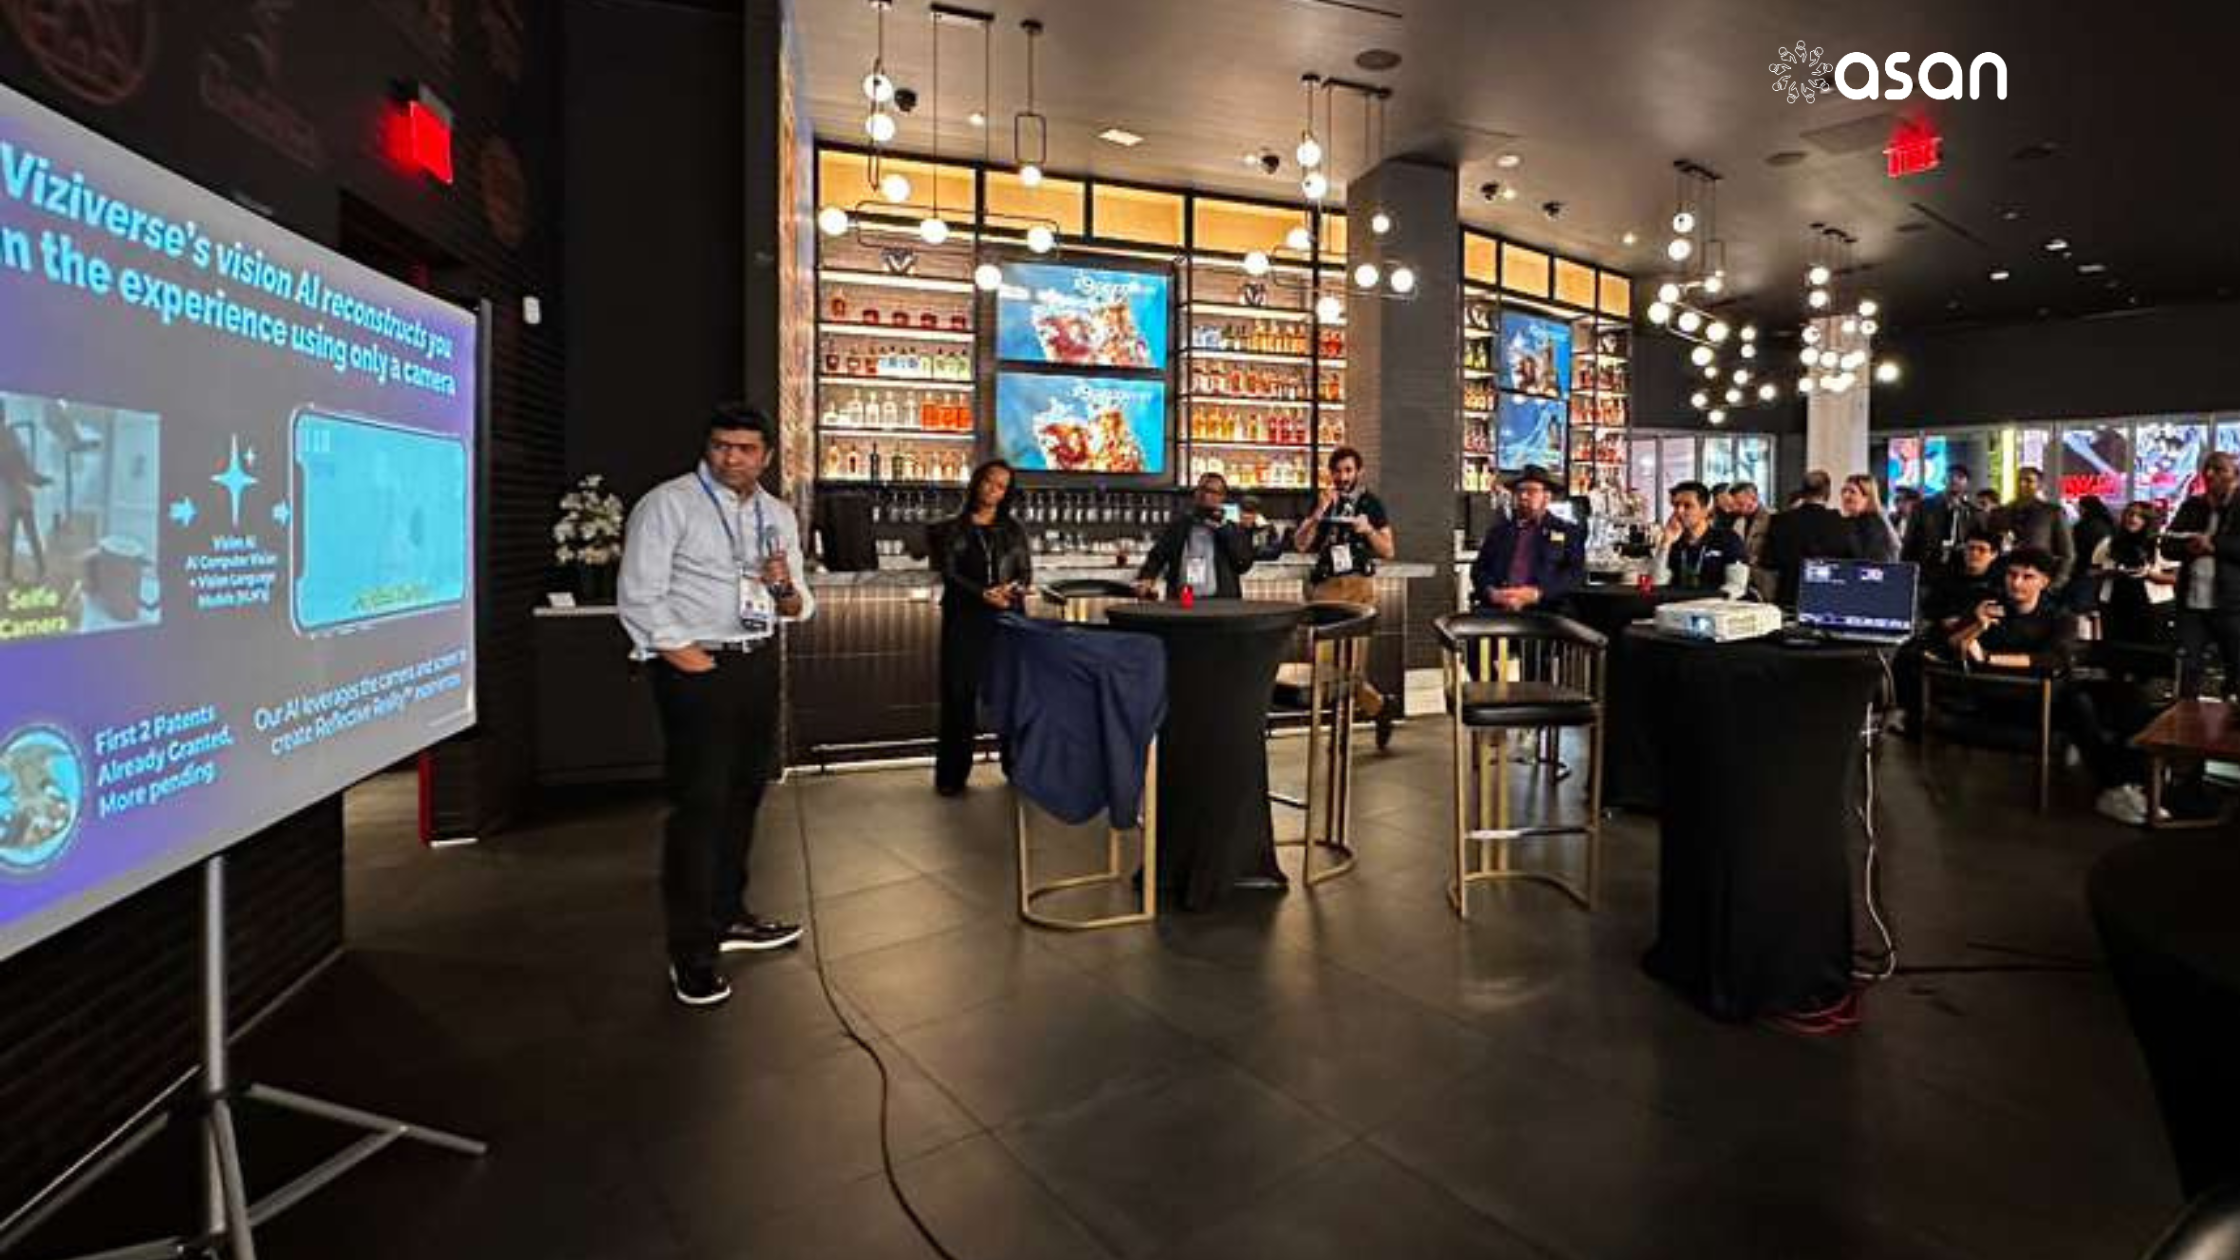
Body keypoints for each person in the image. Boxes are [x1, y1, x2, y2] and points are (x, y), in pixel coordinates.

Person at [618, 403, 811, 1008]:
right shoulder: (668, 503)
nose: (732, 457)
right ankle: (692, 953)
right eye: (721, 446)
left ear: (766, 456)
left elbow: (798, 606)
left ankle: (729, 915)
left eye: (745, 448)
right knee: (699, 808)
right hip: (696, 667)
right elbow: (639, 595)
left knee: (744, 796)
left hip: (756, 662)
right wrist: (690, 659)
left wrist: (782, 585)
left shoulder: (778, 515)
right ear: (708, 448)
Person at [1942, 547, 2153, 824]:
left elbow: (2053, 659)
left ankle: (2134, 784)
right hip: (2006, 695)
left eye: (2027, 577)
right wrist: (1978, 626)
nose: (2017, 582)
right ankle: (2113, 788)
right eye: (2012, 575)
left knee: (2131, 697)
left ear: (2044, 581)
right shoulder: (1988, 607)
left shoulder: (2057, 614)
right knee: (2078, 705)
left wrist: (1992, 657)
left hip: (2049, 689)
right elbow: (1952, 646)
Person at [935, 460, 1032, 797]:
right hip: (965, 618)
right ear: (977, 482)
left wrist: (1011, 591)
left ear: (1007, 493)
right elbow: (950, 573)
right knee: (959, 696)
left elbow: (1025, 573)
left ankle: (1016, 768)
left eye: (1001, 486)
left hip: (1008, 618)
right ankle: (951, 776)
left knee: (1011, 693)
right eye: (989, 481)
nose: (993, 490)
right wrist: (982, 594)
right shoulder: (953, 528)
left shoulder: (1014, 529)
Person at [1293, 446, 1398, 746]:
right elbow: (1301, 544)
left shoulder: (1371, 503)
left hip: (1357, 588)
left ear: (1358, 472)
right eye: (1337, 471)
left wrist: (1368, 530)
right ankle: (1380, 708)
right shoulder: (1322, 501)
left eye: (1348, 470)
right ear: (1331, 473)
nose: (1342, 477)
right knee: (1326, 668)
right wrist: (1318, 514)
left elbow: (1388, 550)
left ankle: (1341, 736)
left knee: (1352, 667)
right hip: (1325, 588)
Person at [2160, 450, 2240, 699]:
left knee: (2235, 670)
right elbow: (2167, 544)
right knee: (2188, 668)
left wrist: (2214, 545)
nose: (2210, 474)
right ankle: (2184, 716)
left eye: (2219, 469)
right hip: (2191, 605)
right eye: (2207, 469)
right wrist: (2188, 546)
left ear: (2235, 475)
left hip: (2232, 606)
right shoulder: (2192, 505)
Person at [1469, 465, 1586, 612]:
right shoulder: (1498, 532)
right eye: (1519, 491)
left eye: (1531, 491)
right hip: (1497, 608)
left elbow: (1575, 574)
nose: (1523, 496)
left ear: (1547, 496)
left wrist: (1537, 594)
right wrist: (1492, 593)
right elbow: (1479, 570)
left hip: (1545, 611)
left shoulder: (1567, 531)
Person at [1137, 472, 1258, 599]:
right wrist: (1147, 578)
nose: (1206, 495)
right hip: (1183, 600)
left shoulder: (1232, 528)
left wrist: (1223, 530)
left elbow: (1244, 564)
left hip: (1221, 602)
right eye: (1202, 490)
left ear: (1222, 497)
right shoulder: (1179, 525)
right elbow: (1157, 556)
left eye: (1212, 492)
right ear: (1196, 493)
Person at [1759, 469, 1858, 608]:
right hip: (1829, 597)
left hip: (1789, 597)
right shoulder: (1841, 524)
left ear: (1803, 492)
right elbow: (1851, 564)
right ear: (1828, 493)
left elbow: (1767, 562)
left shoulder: (1780, 521)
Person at [2094, 500, 2173, 648]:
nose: (2133, 519)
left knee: (2151, 650)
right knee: (2117, 650)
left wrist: (2150, 575)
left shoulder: (2160, 543)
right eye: (2129, 514)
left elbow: (2176, 577)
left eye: (2140, 516)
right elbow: (2092, 571)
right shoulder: (2109, 542)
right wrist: (2111, 573)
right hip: (2114, 605)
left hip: (2153, 607)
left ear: (2149, 520)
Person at [1653, 480, 1748, 596]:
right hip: (1676, 604)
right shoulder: (1674, 542)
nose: (1679, 511)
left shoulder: (1729, 540)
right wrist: (1665, 543)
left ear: (1705, 511)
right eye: (1676, 505)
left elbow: (1736, 586)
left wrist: (1706, 600)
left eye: (1687, 506)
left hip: (1715, 604)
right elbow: (1657, 584)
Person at [2000, 466, 2074, 587]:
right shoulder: (2003, 511)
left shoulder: (2052, 513)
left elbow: (2067, 554)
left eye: (2029, 481)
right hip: (2006, 581)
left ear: (2039, 485)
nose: (2022, 484)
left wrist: (2056, 584)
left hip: (2039, 582)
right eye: (2019, 480)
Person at [0, 424, 50, 586]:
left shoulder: (10, 439)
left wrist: (38, 480)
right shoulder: (11, 440)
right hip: (14, 497)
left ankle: (12, 574)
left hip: (15, 497)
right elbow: (25, 471)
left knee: (19, 536)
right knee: (21, 536)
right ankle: (12, 574)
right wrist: (38, 480)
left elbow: (26, 471)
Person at [1903, 464, 1979, 569]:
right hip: (1928, 566)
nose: (1955, 479)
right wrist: (1905, 568)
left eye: (1960, 477)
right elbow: (1909, 540)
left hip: (1960, 568)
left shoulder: (1972, 512)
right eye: (1951, 476)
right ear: (1943, 480)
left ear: (1967, 484)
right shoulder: (1923, 506)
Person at [2065, 495, 2117, 613]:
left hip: (2085, 572)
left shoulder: (2083, 526)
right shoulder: (2111, 524)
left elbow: (2075, 550)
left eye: (2079, 507)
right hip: (2106, 573)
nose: (2078, 510)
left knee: (2081, 607)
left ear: (2084, 508)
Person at [1728, 480, 1776, 601]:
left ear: (1754, 498)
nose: (1736, 508)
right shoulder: (1738, 521)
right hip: (1743, 579)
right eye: (1735, 503)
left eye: (1740, 503)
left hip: (1764, 580)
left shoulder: (1773, 517)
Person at [1840, 473, 1900, 563]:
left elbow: (1871, 563)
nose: (1846, 496)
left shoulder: (1874, 525)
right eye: (1844, 491)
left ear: (1868, 498)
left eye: (1852, 492)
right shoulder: (1850, 521)